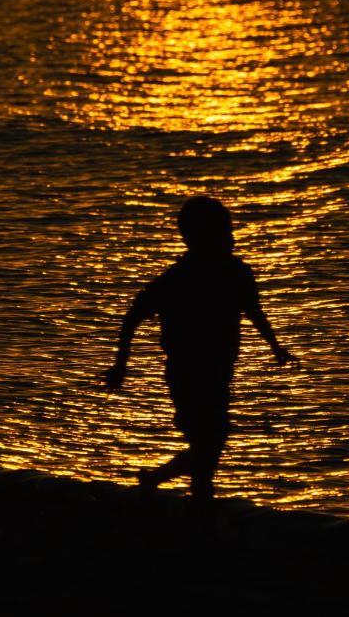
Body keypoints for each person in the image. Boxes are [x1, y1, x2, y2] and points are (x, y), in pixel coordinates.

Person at [105, 195, 297, 502]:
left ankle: (166, 488)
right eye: (223, 232)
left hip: (220, 371)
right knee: (210, 441)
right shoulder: (177, 279)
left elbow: (253, 311)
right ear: (194, 237)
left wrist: (275, 347)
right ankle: (183, 498)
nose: (231, 238)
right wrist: (121, 365)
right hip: (185, 372)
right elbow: (133, 316)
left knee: (208, 443)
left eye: (230, 230)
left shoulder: (236, 272)